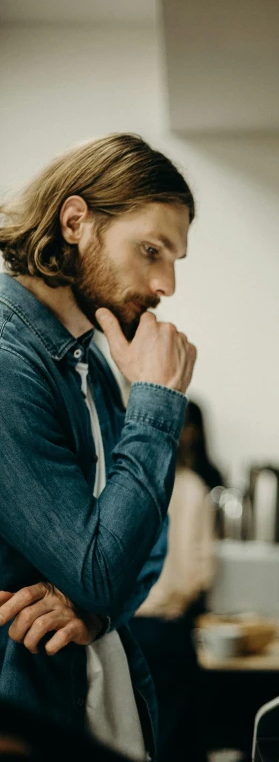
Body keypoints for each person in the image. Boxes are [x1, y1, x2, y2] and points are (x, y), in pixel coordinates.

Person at [0, 133, 197, 762]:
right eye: (150, 250)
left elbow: (148, 540)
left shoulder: (92, 361)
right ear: (76, 221)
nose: (166, 283)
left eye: (175, 260)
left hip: (98, 698)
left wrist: (93, 612)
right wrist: (158, 402)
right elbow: (102, 566)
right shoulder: (8, 362)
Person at [130, 401, 223, 762]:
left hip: (126, 624)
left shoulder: (131, 484)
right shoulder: (194, 487)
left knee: (133, 726)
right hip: (169, 625)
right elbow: (203, 569)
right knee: (172, 731)